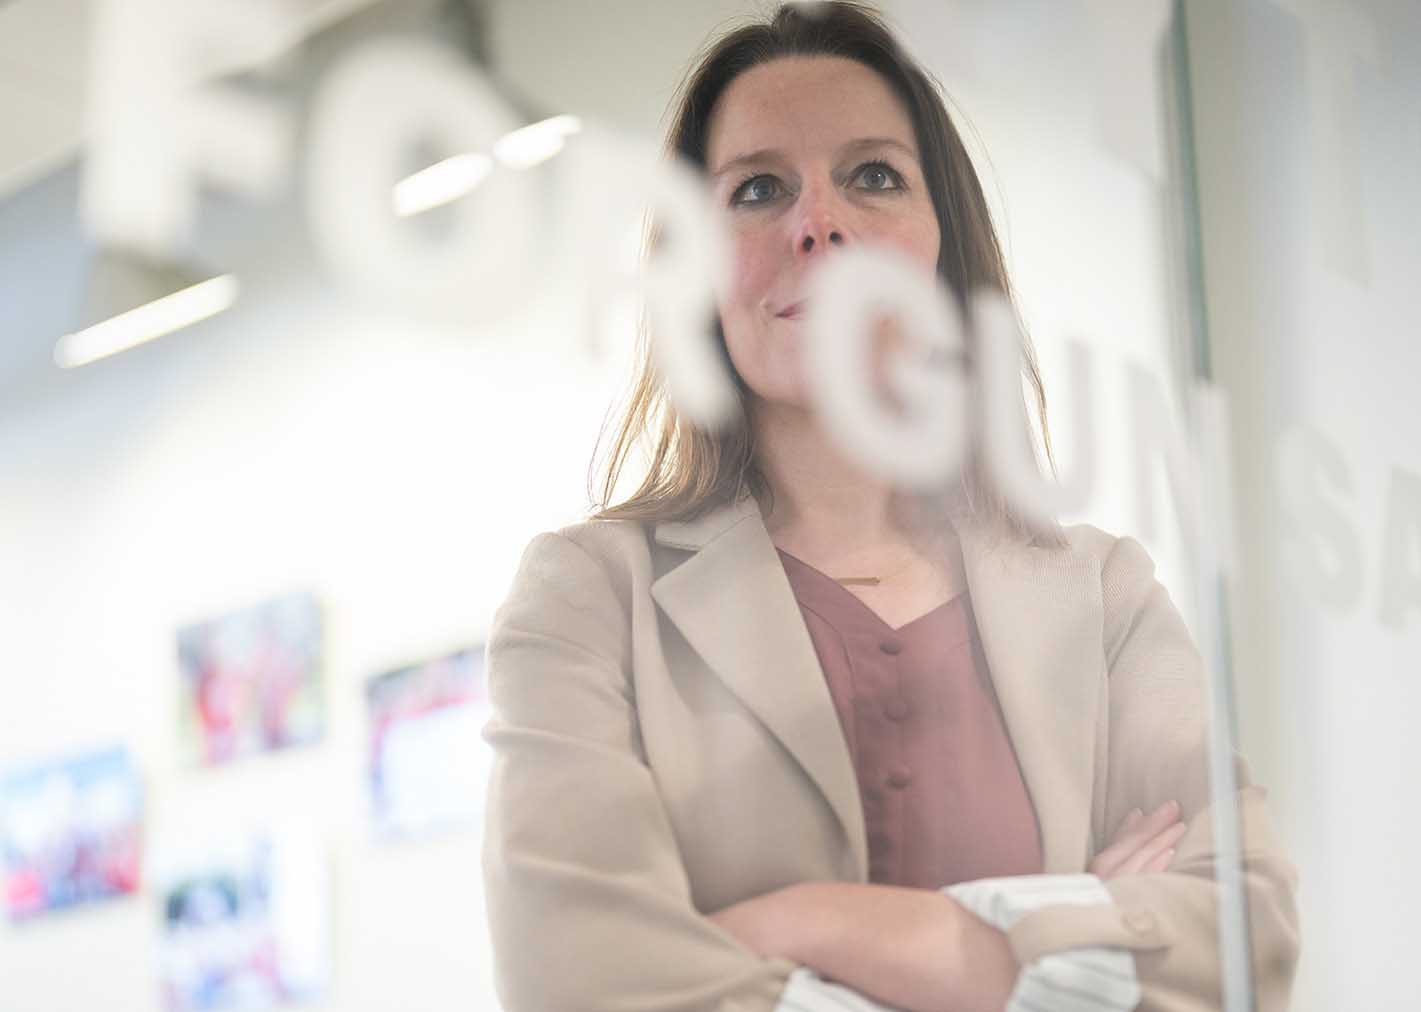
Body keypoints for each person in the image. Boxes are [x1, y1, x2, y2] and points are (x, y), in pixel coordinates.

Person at [479, 4, 1299, 1011]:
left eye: (873, 175)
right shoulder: (589, 602)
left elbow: (1246, 934)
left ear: (943, 247)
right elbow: (585, 982)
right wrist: (1068, 925)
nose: (816, 223)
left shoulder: (1103, 595)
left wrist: (794, 927)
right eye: (757, 189)